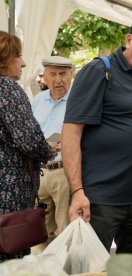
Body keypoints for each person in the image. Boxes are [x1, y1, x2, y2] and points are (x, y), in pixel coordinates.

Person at [61, 15, 132, 256]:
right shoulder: (100, 70)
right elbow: (71, 132)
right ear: (128, 39)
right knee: (90, 269)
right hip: (101, 201)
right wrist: (77, 192)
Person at [0, 31, 54, 262]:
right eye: (17, 56)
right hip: (8, 193)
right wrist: (49, 149)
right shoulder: (7, 88)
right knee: (11, 258)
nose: (22, 63)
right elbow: (29, 140)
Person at [31, 56, 73, 253]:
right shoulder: (37, 101)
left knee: (67, 230)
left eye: (63, 74)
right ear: (45, 76)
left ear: (71, 75)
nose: (58, 79)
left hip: (64, 172)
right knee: (38, 232)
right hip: (39, 173)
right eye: (53, 74)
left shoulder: (78, 101)